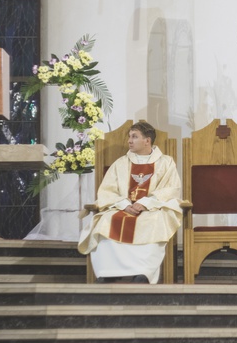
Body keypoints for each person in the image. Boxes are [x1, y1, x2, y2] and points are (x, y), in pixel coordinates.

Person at [78, 121, 183, 283]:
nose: (129, 141)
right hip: (122, 207)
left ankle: (143, 273)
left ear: (147, 141)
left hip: (152, 209)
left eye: (134, 137)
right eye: (129, 137)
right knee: (105, 221)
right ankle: (109, 272)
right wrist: (125, 205)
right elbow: (107, 190)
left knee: (154, 221)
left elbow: (171, 189)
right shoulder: (121, 163)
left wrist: (146, 203)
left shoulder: (165, 162)